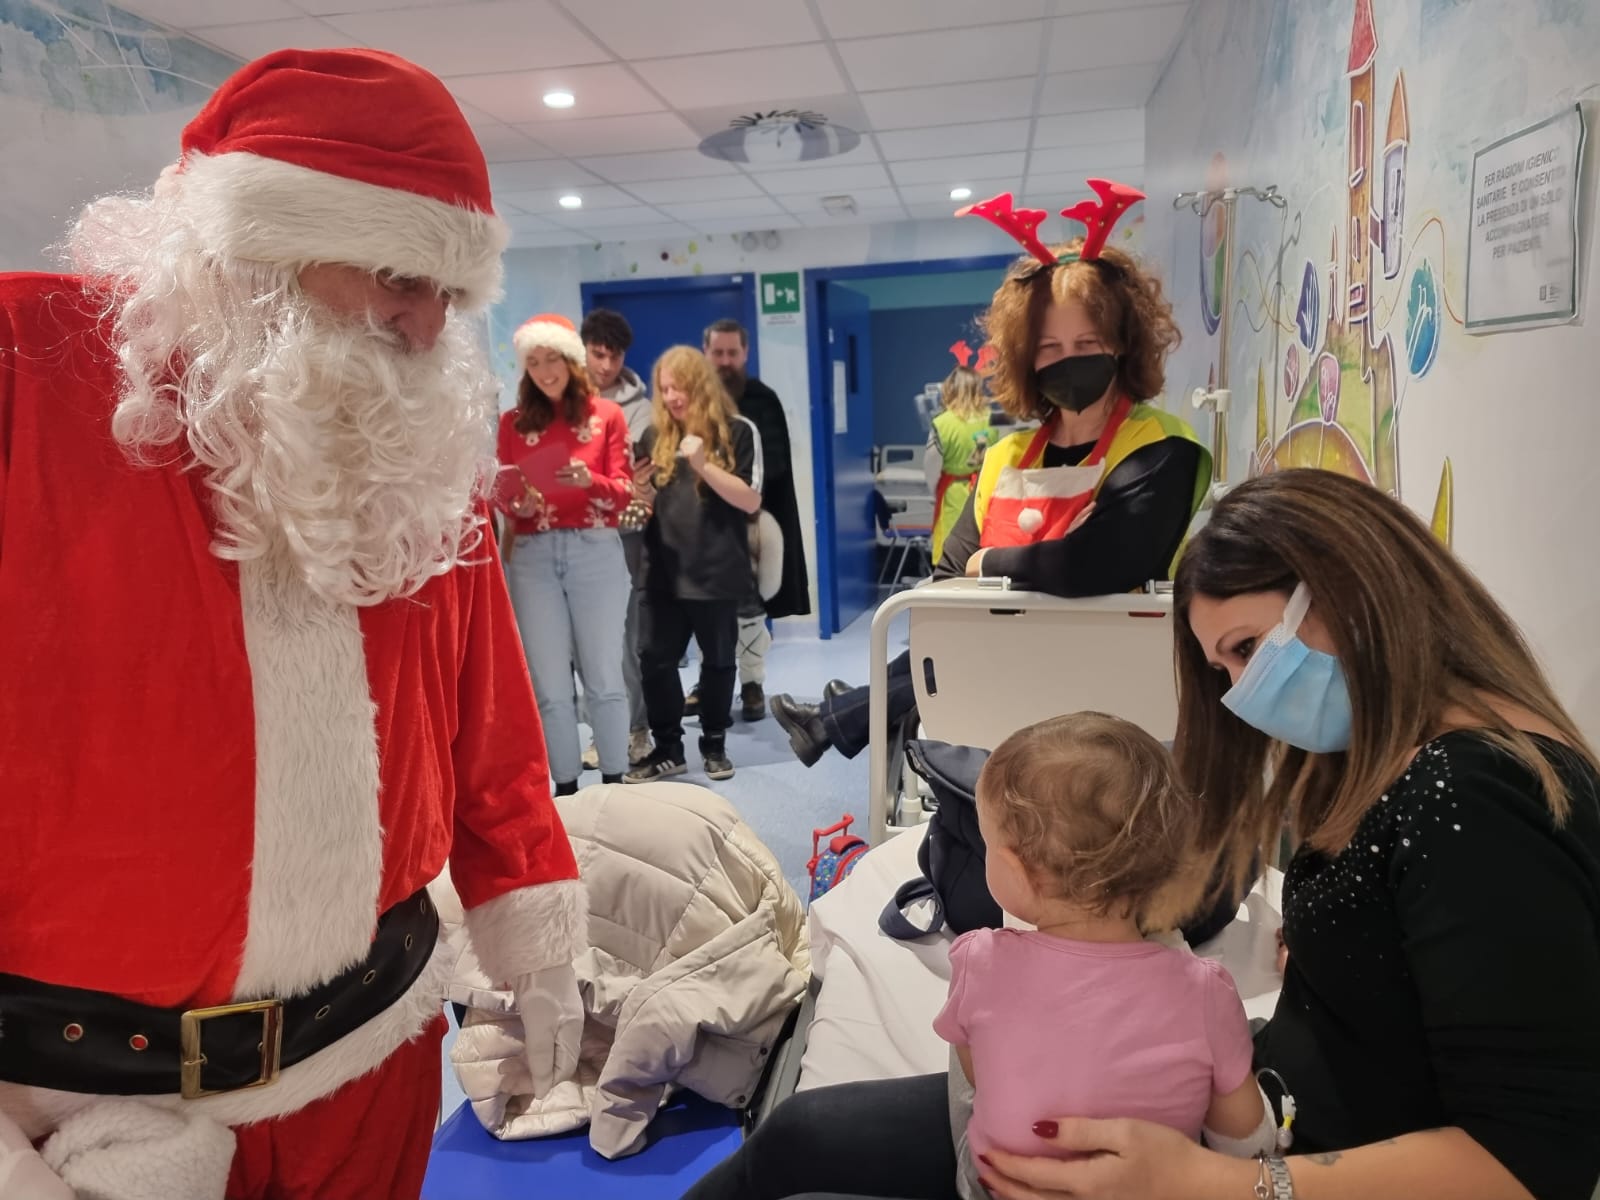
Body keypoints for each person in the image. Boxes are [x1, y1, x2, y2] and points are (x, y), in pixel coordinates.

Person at [0, 49, 588, 1200]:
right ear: (251, 251)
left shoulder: (412, 442)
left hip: (370, 1058)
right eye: (389, 275)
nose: (424, 328)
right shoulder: (29, 364)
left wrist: (535, 938)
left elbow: (488, 715)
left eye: (448, 294)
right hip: (85, 1107)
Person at [681, 469, 1600, 1200]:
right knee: (798, 1137)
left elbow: (1531, 1164)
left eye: (1246, 648)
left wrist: (1226, 1184)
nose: (1242, 691)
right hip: (1234, 1118)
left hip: (1259, 1162)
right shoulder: (1387, 759)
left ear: (1354, 586)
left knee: (810, 1175)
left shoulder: (1477, 798)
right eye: (1220, 666)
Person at [770, 220, 1210, 767]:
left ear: (1122, 344)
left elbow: (1097, 565)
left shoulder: (1162, 445)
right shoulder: (1004, 457)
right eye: (1050, 347)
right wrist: (1045, 563)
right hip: (986, 707)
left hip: (1107, 720)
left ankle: (838, 717)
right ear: (1028, 357)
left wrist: (993, 562)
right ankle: (845, 714)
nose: (1068, 359)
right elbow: (949, 581)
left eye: (1087, 343)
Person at [939, 713, 1273, 1199]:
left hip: (1002, 1184)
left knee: (966, 1031)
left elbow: (977, 1077)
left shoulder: (977, 961)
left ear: (1014, 870)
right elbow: (1247, 1143)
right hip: (1160, 1187)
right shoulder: (1207, 990)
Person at [496, 313, 634, 795]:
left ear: (571, 360)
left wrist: (588, 481)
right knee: (550, 685)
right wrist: (521, 502)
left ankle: (617, 779)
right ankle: (567, 786)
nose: (544, 371)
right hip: (532, 555)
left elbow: (623, 493)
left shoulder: (607, 417)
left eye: (551, 358)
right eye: (533, 362)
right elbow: (503, 492)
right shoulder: (510, 424)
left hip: (595, 549)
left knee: (603, 676)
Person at [624, 346, 762, 785]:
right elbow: (646, 503)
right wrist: (639, 490)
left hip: (716, 568)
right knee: (654, 659)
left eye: (678, 387)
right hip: (661, 568)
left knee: (719, 661)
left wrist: (703, 465)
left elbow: (751, 499)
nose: (671, 397)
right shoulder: (652, 438)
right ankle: (668, 748)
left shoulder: (738, 432)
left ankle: (714, 743)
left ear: (699, 385)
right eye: (664, 389)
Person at [689, 318, 809, 724]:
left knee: (750, 610)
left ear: (745, 354)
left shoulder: (762, 399)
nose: (724, 361)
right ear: (705, 352)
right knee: (703, 609)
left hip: (751, 523)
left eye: (732, 353)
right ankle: (708, 683)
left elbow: (772, 466)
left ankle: (752, 684)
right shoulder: (688, 401)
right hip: (701, 527)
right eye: (717, 352)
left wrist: (727, 480)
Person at [580, 307, 654, 768]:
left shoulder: (641, 409)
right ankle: (601, 729)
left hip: (626, 536)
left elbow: (641, 478)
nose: (606, 365)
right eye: (598, 354)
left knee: (627, 638)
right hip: (573, 536)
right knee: (584, 642)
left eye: (615, 355)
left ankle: (637, 729)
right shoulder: (560, 399)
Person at [924, 364, 993, 565]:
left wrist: (933, 492)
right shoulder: (993, 419)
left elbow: (931, 467)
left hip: (952, 493)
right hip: (984, 490)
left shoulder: (943, 423)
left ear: (950, 388)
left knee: (952, 551)